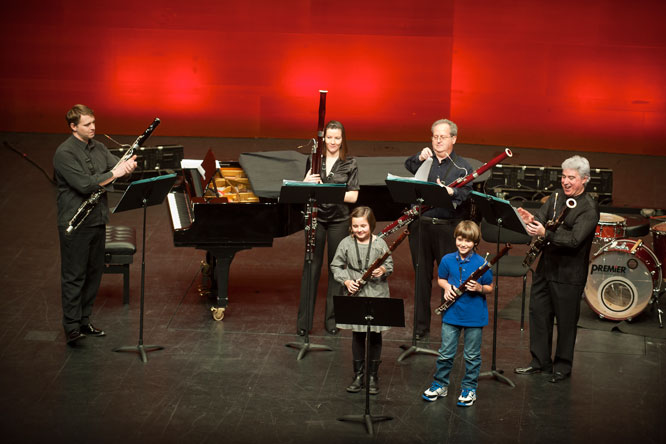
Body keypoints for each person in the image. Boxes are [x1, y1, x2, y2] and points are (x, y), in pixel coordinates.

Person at [53, 104, 137, 344]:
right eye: (87, 124)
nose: (93, 128)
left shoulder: (98, 147)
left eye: (93, 123)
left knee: (93, 273)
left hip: (97, 219)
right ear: (73, 127)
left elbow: (116, 168)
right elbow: (85, 184)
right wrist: (115, 173)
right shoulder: (64, 153)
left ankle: (84, 320)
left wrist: (128, 168)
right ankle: (71, 326)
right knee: (74, 275)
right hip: (75, 223)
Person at [514, 155, 599, 383]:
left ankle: (562, 366)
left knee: (566, 321)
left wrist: (546, 233)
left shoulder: (589, 208)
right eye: (563, 176)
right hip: (546, 268)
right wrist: (532, 220)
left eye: (571, 178)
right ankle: (539, 362)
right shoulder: (556, 197)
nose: (565, 181)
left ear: (584, 179)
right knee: (539, 314)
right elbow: (542, 219)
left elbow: (574, 240)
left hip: (569, 274)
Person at [404, 119, 473, 339]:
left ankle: (449, 330)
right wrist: (419, 157)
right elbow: (408, 164)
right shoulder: (426, 160)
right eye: (435, 136)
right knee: (421, 279)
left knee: (451, 280)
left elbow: (466, 194)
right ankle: (420, 330)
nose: (438, 141)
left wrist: (452, 192)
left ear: (454, 139)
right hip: (421, 227)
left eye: (443, 137)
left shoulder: (463, 167)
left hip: (447, 229)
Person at [297, 120, 360, 336]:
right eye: (329, 137)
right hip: (316, 218)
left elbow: (353, 196)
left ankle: (332, 320)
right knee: (311, 267)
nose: (333, 142)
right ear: (323, 139)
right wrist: (305, 182)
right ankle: (304, 323)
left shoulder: (350, 163)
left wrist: (326, 190)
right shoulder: (314, 160)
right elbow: (306, 190)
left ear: (343, 140)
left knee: (337, 269)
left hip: (339, 220)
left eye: (337, 138)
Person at [422, 220, 494, 407]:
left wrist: (479, 288)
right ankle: (440, 384)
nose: (463, 244)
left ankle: (469, 388)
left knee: (472, 356)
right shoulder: (447, 260)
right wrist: (447, 287)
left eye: (468, 241)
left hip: (474, 316)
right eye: (460, 239)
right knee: (445, 353)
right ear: (455, 238)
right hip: (452, 314)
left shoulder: (482, 263)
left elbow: (490, 287)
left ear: (475, 242)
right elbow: (441, 279)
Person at [330, 206, 393, 395]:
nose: (359, 230)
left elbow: (389, 264)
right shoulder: (345, 243)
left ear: (371, 225)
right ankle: (358, 375)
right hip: (355, 293)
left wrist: (382, 270)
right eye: (355, 226)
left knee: (375, 335)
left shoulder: (380, 243)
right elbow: (336, 266)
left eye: (363, 226)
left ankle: (373, 375)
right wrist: (347, 281)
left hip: (377, 293)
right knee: (357, 334)